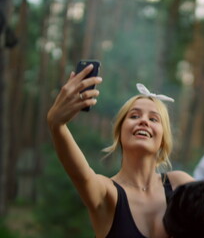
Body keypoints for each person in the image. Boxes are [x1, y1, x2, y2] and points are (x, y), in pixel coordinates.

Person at [47, 65, 194, 238]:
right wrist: (57, 125)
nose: (144, 121)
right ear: (120, 132)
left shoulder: (180, 185)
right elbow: (82, 176)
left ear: (163, 139)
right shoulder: (108, 193)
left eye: (153, 119)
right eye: (134, 116)